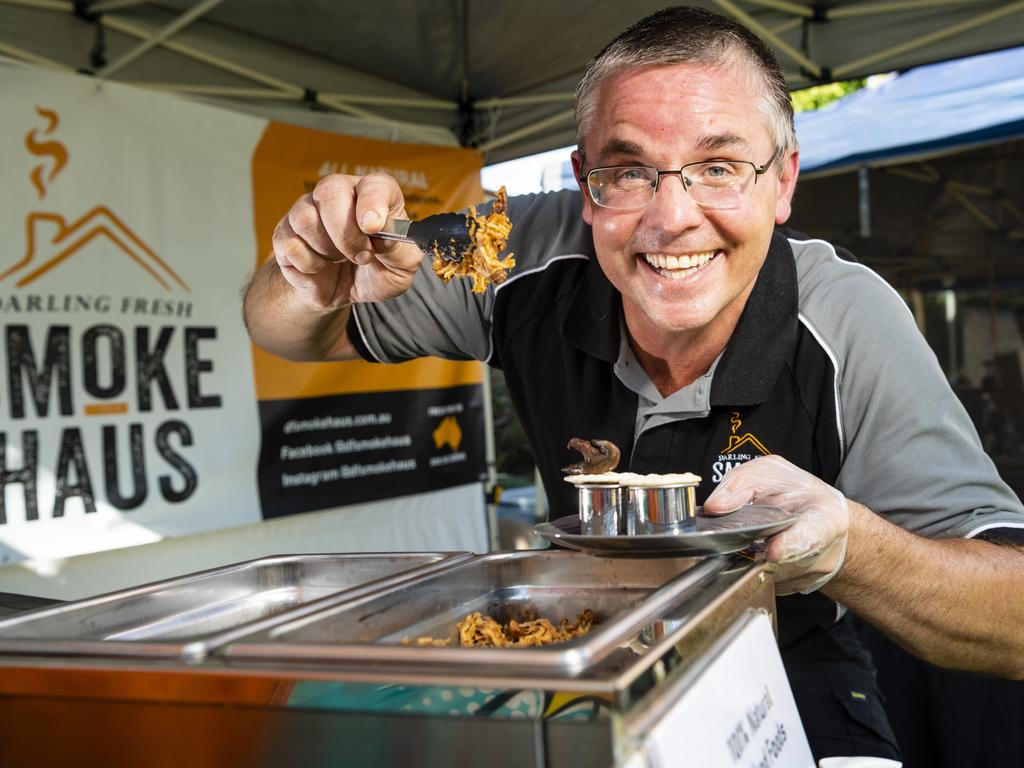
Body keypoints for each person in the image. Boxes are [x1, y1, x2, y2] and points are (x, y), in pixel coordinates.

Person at [244, 6, 1024, 761]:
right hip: (592, 664)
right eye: (628, 172)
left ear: (783, 182)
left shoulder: (845, 319)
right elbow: (282, 328)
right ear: (586, 184)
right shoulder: (519, 255)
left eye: (719, 167)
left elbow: (1013, 618)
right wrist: (309, 277)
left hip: (788, 660)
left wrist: (849, 547)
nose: (670, 218)